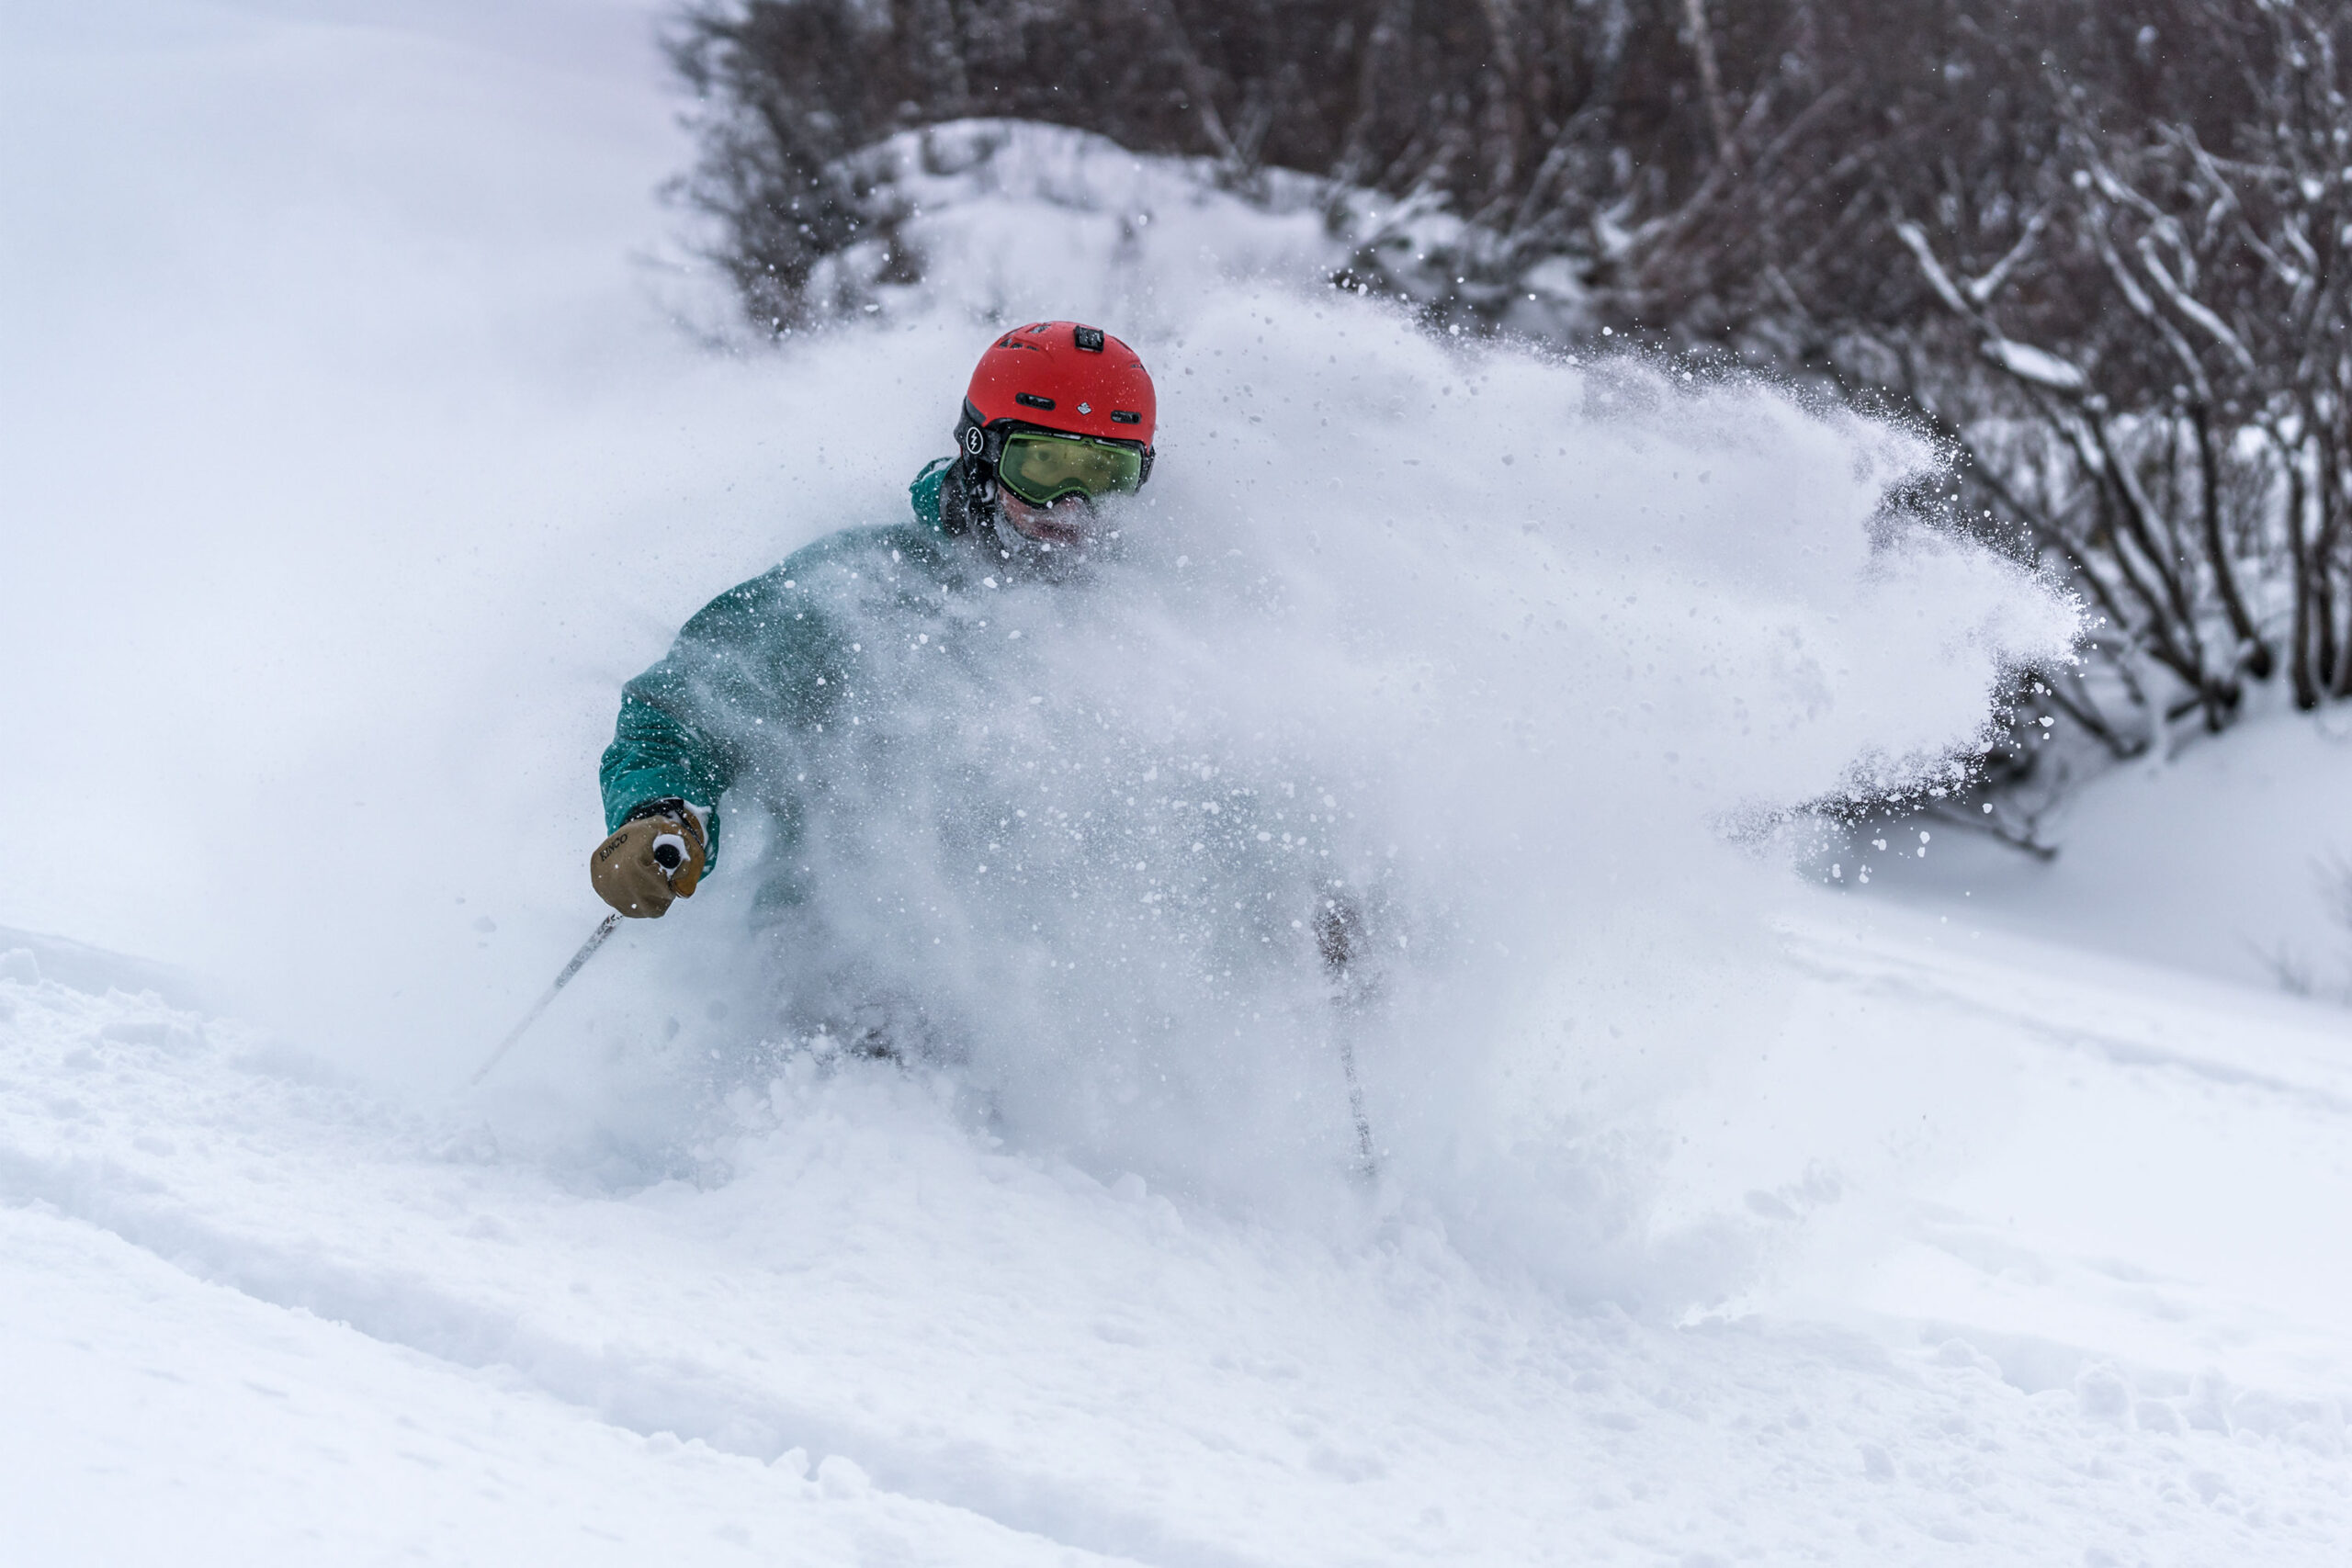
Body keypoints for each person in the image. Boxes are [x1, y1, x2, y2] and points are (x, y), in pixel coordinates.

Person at [587, 321, 1159, 946]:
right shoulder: (860, 592)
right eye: (1044, 467)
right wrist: (662, 812)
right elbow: (680, 711)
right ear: (983, 453)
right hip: (846, 966)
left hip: (1070, 984)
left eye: (1106, 475)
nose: (1070, 509)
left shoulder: (1158, 625)